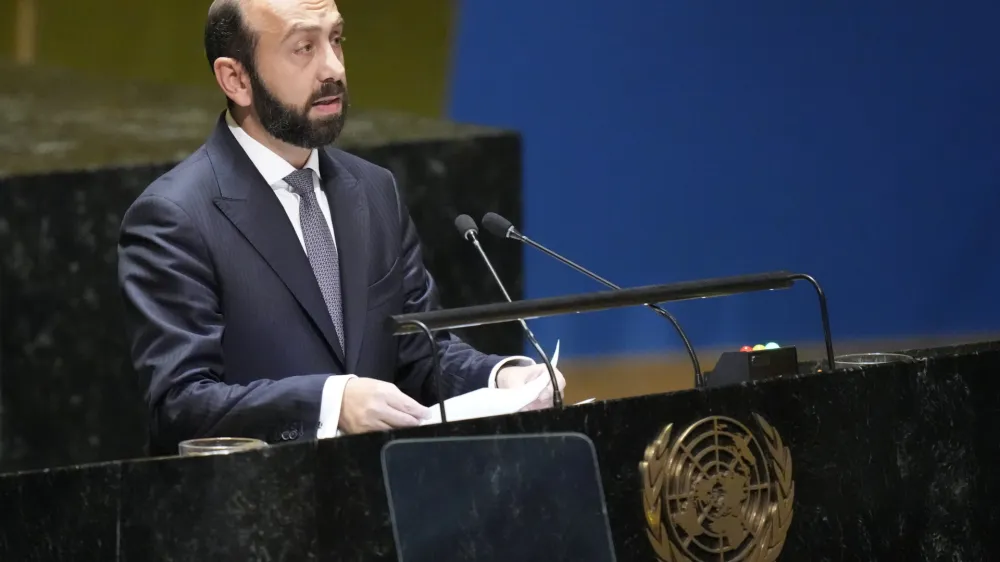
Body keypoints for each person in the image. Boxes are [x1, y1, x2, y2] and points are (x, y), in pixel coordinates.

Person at [117, 0, 565, 455]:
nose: (332, 68)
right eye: (303, 48)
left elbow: (417, 352)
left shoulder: (373, 190)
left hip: (382, 503)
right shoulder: (174, 216)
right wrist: (333, 401)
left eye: (335, 40)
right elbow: (181, 404)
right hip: (257, 511)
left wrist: (502, 376)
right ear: (236, 79)